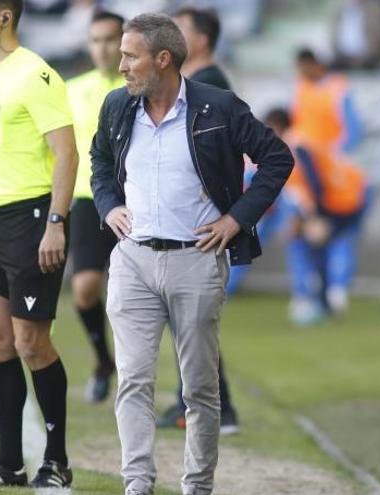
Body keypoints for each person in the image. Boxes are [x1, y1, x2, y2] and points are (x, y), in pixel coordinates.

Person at [90, 14, 293, 495]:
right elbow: (99, 160)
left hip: (196, 261)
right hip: (133, 261)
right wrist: (108, 205)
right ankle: (137, 483)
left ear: (162, 60)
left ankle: (197, 485)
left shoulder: (218, 106)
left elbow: (277, 158)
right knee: (133, 380)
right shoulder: (117, 106)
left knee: (200, 387)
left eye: (129, 55)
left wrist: (236, 218)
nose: (120, 65)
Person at [0, 0, 77, 488]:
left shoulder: (36, 75)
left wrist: (56, 222)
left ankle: (57, 461)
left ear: (4, 17)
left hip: (31, 219)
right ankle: (9, 464)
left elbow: (66, 153)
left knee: (31, 343)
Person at [154, 5, 240, 436]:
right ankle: (197, 403)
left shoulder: (207, 84)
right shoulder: (202, 81)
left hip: (198, 220)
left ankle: (213, 408)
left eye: (180, 29)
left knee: (192, 318)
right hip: (189, 217)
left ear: (201, 39)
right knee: (187, 316)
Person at [66, 9, 125, 404]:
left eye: (109, 39)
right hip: (88, 201)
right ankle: (105, 362)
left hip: (134, 201)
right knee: (85, 289)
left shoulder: (139, 86)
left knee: (142, 298)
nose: (102, 48)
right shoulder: (72, 89)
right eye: (96, 40)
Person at [265, 108, 369, 326]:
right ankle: (324, 298)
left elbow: (314, 180)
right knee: (316, 245)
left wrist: (316, 216)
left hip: (342, 200)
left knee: (311, 244)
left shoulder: (297, 144)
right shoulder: (296, 143)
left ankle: (316, 298)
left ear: (278, 125)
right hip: (341, 198)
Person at [291, 48, 363, 155]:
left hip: (332, 154)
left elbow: (353, 128)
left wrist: (337, 151)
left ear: (316, 64)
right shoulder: (301, 88)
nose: (303, 73)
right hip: (307, 154)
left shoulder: (338, 88)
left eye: (305, 68)